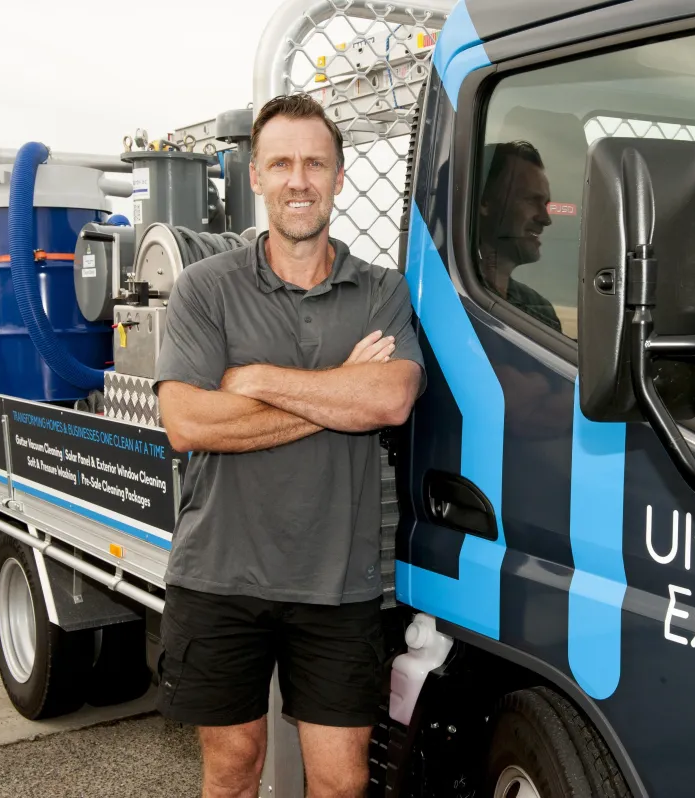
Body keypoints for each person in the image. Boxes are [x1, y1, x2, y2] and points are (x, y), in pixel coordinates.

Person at [152, 93, 425, 798]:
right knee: (232, 771)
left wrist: (257, 380)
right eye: (281, 164)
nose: (298, 180)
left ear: (340, 176)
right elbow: (188, 422)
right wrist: (340, 394)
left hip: (338, 582)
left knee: (340, 783)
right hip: (219, 577)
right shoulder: (205, 289)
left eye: (315, 164)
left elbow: (390, 400)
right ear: (255, 176)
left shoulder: (381, 291)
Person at [475, 140, 562, 333]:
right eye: (532, 200)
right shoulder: (448, 298)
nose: (546, 219)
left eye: (545, 204)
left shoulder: (540, 309)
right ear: (485, 202)